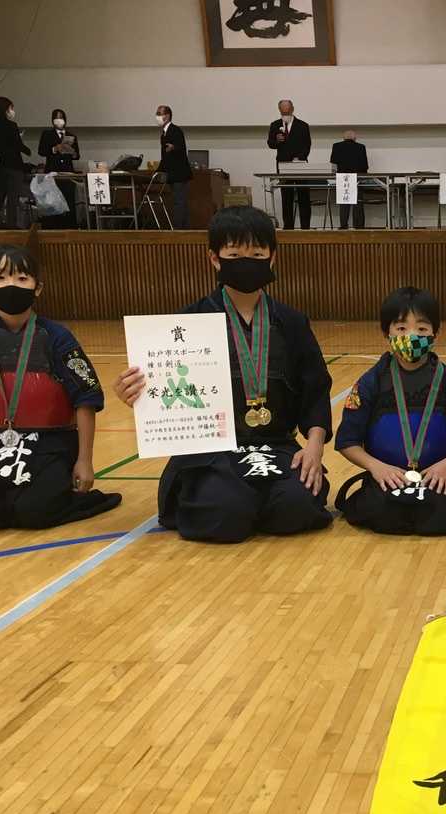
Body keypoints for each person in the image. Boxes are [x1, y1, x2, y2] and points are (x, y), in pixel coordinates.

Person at [113, 206, 333, 543]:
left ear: (272, 257)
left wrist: (314, 447)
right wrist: (137, 394)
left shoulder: (292, 323)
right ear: (215, 259)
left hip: (275, 445)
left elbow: (315, 389)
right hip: (211, 453)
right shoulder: (187, 324)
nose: (247, 262)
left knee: (296, 507)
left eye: (257, 254)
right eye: (234, 255)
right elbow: (167, 393)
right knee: (225, 514)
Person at [0, 243, 121, 531]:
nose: (11, 285)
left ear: (38, 288)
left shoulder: (57, 337)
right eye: (1, 277)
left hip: (50, 441)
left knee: (35, 512)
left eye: (22, 278)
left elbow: (86, 398)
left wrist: (85, 460)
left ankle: (78, 499)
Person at [334, 287, 446, 536]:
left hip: (439, 479)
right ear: (387, 332)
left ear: (435, 333)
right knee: (382, 512)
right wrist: (376, 467)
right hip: (387, 479)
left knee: (442, 514)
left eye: (422, 329)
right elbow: (347, 442)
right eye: (401, 328)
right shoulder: (371, 381)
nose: (412, 336)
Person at [267, 99, 312, 230]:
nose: (285, 114)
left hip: (300, 164)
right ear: (279, 110)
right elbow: (270, 143)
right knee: (286, 196)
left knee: (303, 195)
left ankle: (305, 227)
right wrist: (277, 141)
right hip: (283, 165)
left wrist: (300, 158)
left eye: (287, 111)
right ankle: (288, 227)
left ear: (292, 109)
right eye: (283, 112)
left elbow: (307, 144)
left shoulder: (303, 125)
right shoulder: (275, 125)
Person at [0, 96, 32, 227]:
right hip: (14, 166)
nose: (12, 111)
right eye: (11, 108)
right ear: (6, 110)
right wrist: (28, 150)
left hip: (0, 167)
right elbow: (17, 145)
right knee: (12, 199)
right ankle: (11, 227)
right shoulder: (12, 126)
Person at [37, 108, 80, 228]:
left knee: (68, 199)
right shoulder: (47, 134)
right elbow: (41, 151)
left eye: (61, 117)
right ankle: (53, 226)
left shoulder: (71, 135)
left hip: (67, 171)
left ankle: (70, 226)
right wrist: (55, 149)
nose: (59, 120)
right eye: (56, 117)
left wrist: (72, 152)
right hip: (52, 171)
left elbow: (77, 155)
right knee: (53, 200)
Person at [156, 105, 192, 229]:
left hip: (179, 174)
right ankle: (184, 229)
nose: (157, 117)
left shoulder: (175, 130)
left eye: (159, 113)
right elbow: (165, 157)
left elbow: (181, 148)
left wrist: (174, 148)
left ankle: (178, 230)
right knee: (180, 202)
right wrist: (158, 171)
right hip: (173, 174)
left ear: (167, 116)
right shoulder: (163, 134)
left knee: (179, 202)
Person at [329, 129, 368, 229]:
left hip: (342, 178)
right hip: (357, 178)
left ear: (343, 138)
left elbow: (334, 165)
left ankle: (343, 226)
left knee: (344, 203)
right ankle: (359, 226)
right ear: (355, 138)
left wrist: (334, 177)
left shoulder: (336, 146)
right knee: (358, 203)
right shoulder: (361, 147)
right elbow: (364, 166)